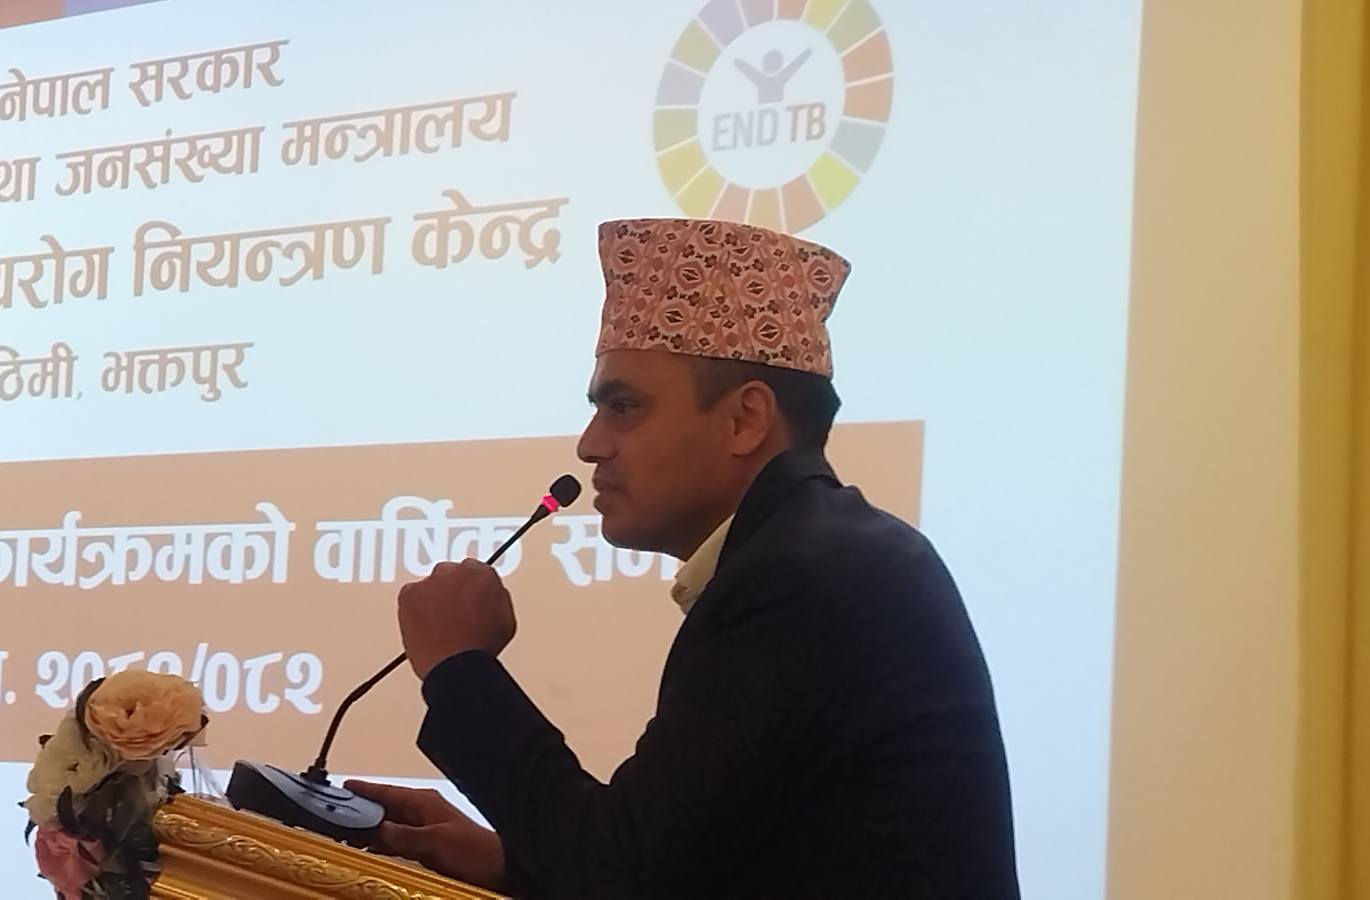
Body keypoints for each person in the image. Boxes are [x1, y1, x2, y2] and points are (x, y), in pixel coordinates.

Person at [347, 218, 1020, 898]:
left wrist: (461, 671)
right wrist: (509, 864)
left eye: (623, 407)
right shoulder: (826, 551)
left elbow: (624, 874)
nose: (589, 444)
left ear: (745, 420)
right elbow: (689, 866)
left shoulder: (804, 578)